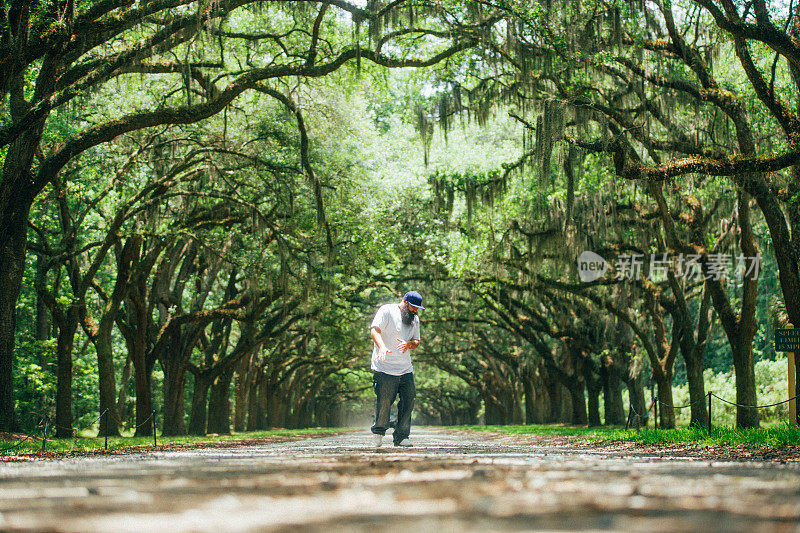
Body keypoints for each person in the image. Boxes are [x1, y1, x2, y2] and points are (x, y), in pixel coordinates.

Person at [369, 291, 424, 447]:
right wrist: (382, 347)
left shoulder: (415, 319)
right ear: (405, 302)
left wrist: (409, 344)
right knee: (385, 402)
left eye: (418, 309)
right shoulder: (387, 310)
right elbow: (375, 330)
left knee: (409, 399)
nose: (415, 311)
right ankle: (379, 432)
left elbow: (416, 341)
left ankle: (401, 436)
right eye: (413, 307)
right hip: (384, 367)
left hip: (405, 369)